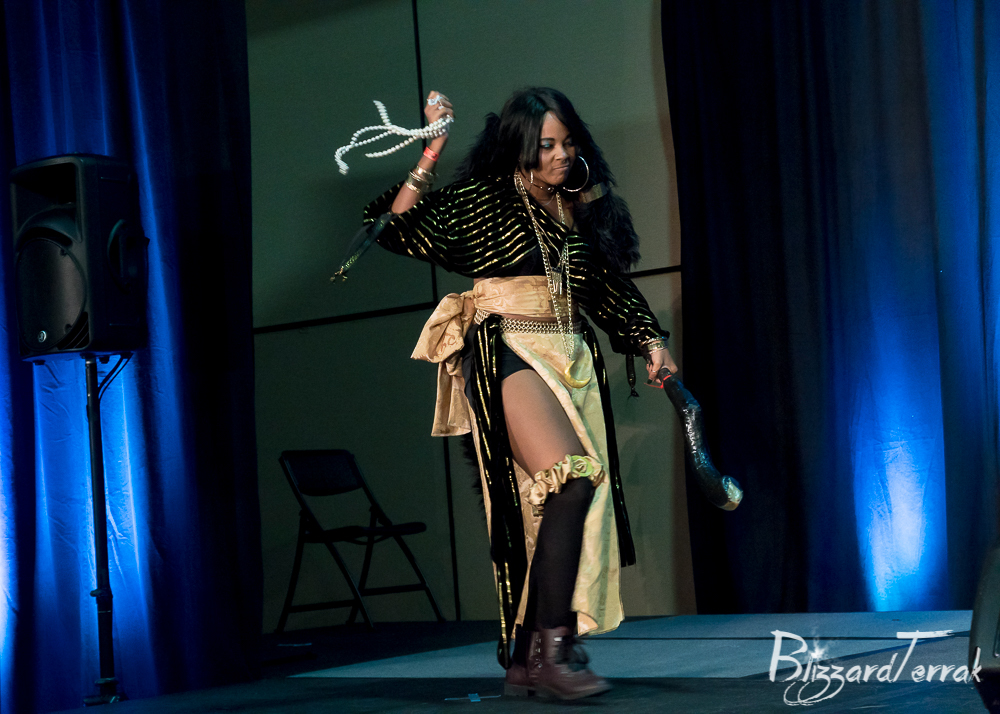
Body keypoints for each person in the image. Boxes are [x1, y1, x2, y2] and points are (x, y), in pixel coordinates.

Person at [363, 87, 675, 700]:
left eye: (568, 142)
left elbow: (606, 287)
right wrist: (432, 149)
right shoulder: (488, 198)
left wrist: (649, 340)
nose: (561, 155)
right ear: (520, 146)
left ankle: (527, 658)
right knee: (572, 478)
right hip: (508, 345)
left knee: (563, 503)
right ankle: (556, 653)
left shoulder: (577, 206)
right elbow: (396, 226)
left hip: (569, 354)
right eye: (546, 145)